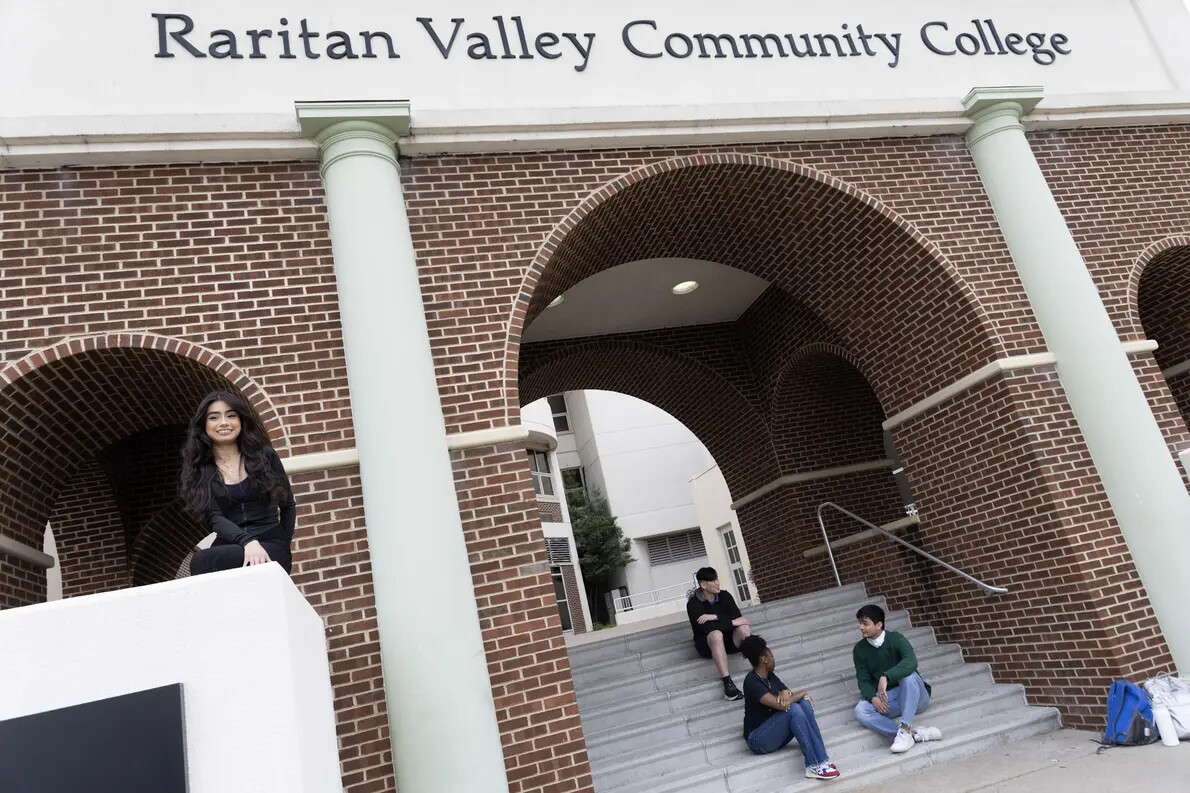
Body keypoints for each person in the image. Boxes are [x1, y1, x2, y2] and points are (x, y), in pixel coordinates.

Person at [180, 390, 297, 575]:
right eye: (214, 417)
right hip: (231, 544)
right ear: (204, 425)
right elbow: (214, 518)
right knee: (201, 561)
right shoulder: (200, 469)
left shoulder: (265, 456)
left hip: (270, 542)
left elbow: (288, 504)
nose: (224, 422)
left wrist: (284, 542)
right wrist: (247, 542)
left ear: (241, 421)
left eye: (231, 415)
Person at [740, 635, 840, 781]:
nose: (774, 659)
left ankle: (822, 759)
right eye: (772, 656)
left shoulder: (770, 676)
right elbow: (781, 704)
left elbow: (788, 694)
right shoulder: (752, 682)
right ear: (764, 659)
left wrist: (787, 692)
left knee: (804, 704)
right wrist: (802, 693)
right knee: (794, 709)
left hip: (776, 732)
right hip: (758, 739)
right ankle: (812, 766)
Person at [852, 604, 942, 753]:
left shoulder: (896, 639)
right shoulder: (859, 649)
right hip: (890, 700)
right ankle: (912, 734)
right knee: (861, 710)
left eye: (865, 624)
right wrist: (873, 698)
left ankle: (906, 727)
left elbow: (911, 662)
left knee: (909, 677)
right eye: (860, 623)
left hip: (916, 696)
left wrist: (886, 676)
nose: (861, 627)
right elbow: (863, 681)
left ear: (879, 624)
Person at [687, 567, 751, 700]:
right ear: (703, 584)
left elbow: (739, 619)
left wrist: (715, 616)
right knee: (716, 634)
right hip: (708, 644)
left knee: (744, 629)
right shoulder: (693, 604)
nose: (717, 583)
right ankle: (728, 685)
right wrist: (730, 621)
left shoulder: (725, 596)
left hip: (729, 640)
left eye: (717, 578)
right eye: (712, 580)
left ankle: (759, 668)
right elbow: (706, 628)